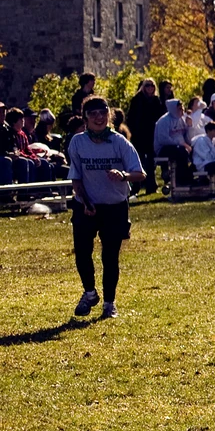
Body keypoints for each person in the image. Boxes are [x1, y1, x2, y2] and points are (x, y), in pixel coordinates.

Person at [66, 97, 146, 319]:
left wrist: (123, 175)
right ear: (85, 118)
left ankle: (109, 304)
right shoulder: (77, 142)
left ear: (109, 115)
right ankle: (90, 293)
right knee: (82, 253)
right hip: (86, 206)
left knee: (110, 256)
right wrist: (86, 202)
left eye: (103, 113)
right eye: (93, 114)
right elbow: (76, 179)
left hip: (114, 207)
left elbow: (140, 173)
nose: (99, 118)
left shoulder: (119, 142)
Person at [125, 78, 165, 197]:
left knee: (151, 163)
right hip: (139, 135)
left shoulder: (156, 101)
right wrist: (133, 131)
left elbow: (159, 117)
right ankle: (136, 186)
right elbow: (131, 117)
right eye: (147, 86)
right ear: (143, 87)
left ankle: (151, 186)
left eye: (152, 86)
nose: (150, 88)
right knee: (139, 162)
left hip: (152, 135)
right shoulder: (137, 100)